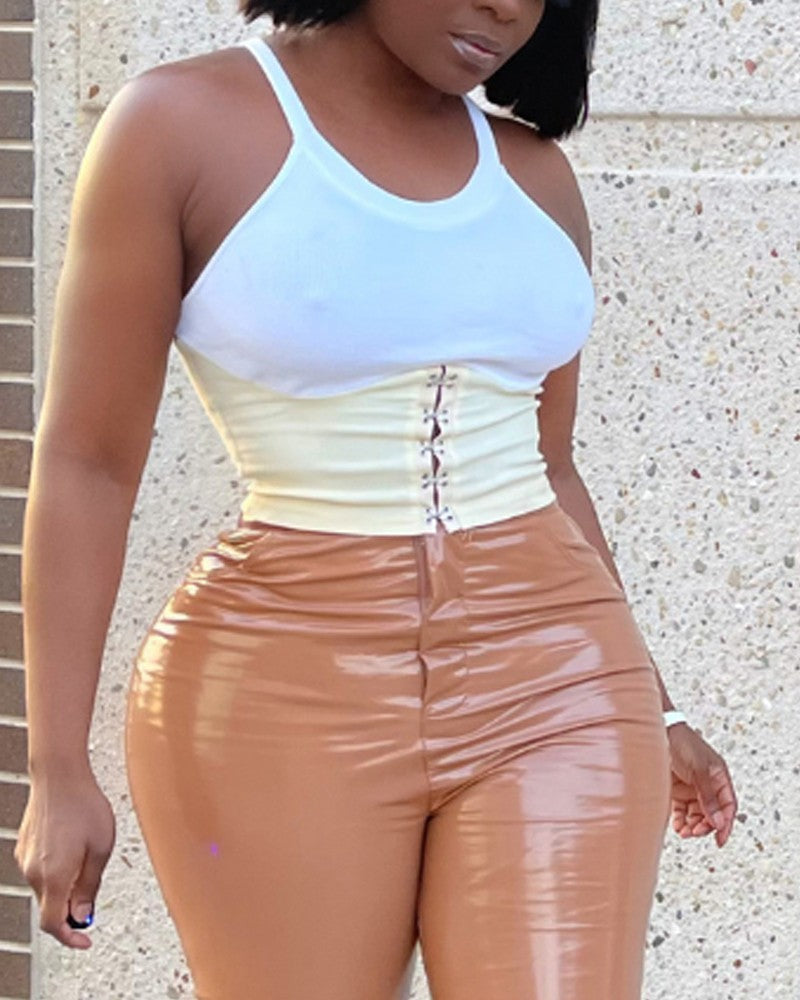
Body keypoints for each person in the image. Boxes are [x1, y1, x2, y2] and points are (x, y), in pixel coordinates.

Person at [14, 0, 739, 997]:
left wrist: (660, 707)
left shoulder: (536, 178)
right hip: (277, 689)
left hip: (560, 682)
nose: (507, 7)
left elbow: (550, 464)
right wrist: (55, 766)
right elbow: (88, 463)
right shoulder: (177, 127)